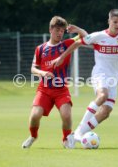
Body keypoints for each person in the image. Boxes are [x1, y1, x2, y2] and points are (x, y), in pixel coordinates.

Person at [53, 9, 118, 148]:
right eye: (115, 22)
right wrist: (61, 57)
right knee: (102, 95)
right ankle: (79, 130)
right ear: (109, 21)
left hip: (113, 79)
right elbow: (78, 43)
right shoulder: (99, 36)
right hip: (99, 74)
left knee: (106, 112)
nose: (117, 25)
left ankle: (77, 133)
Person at [22, 16, 87, 149]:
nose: (59, 33)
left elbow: (87, 37)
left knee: (66, 115)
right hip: (44, 89)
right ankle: (33, 136)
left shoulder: (67, 44)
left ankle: (66, 140)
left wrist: (77, 29)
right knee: (35, 116)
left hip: (61, 90)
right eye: (57, 30)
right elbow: (33, 68)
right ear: (50, 29)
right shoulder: (40, 48)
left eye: (62, 30)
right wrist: (42, 73)